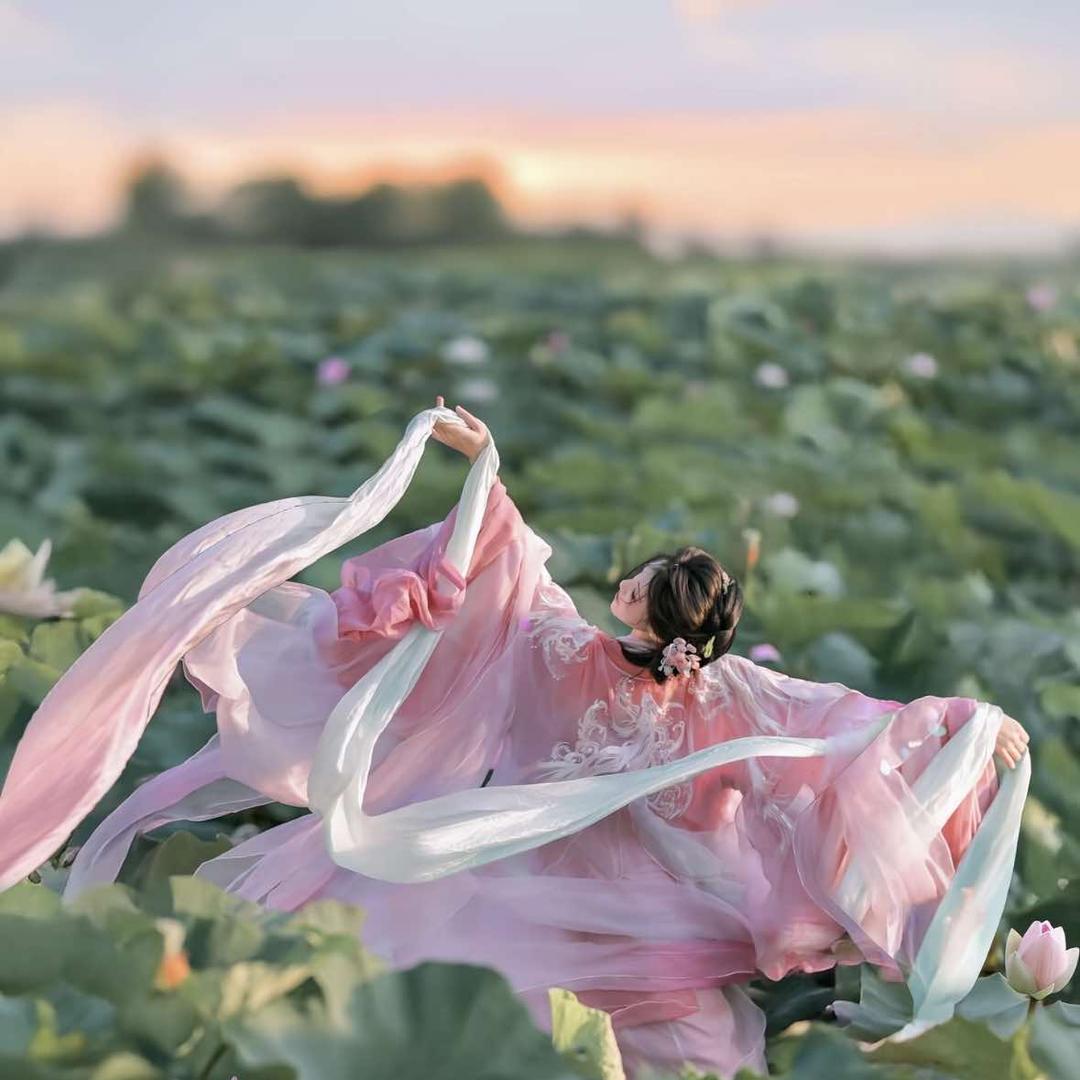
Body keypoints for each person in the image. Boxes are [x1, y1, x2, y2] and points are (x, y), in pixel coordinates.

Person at [0, 399, 1030, 1079]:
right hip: (551, 890)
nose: (622, 585)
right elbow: (841, 721)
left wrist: (978, 730)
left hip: (598, 906)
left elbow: (836, 723)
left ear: (654, 611)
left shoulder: (635, 672)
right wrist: (483, 464)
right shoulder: (621, 666)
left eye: (640, 582)